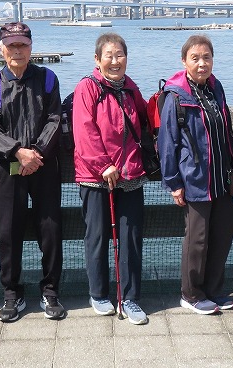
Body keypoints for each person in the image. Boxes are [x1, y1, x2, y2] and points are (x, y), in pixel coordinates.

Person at [0, 22, 65, 323]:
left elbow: (55, 119)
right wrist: (17, 151)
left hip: (43, 165)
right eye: (11, 45)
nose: (17, 50)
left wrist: (36, 152)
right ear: (1, 48)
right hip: (8, 167)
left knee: (50, 230)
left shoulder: (48, 78)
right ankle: (11, 293)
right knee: (8, 232)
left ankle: (50, 291)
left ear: (31, 47)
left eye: (22, 45)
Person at [72, 33, 150, 325]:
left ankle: (130, 297)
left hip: (130, 172)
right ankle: (99, 293)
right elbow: (84, 130)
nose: (115, 61)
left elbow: (145, 118)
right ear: (97, 59)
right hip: (95, 176)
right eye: (109, 55)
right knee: (97, 235)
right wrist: (104, 165)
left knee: (130, 238)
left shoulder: (130, 88)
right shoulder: (87, 87)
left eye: (120, 55)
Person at [158, 34, 233, 315]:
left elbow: (225, 133)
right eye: (195, 58)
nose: (202, 63)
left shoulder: (216, 89)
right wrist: (174, 183)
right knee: (197, 240)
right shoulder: (175, 97)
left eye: (206, 57)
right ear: (184, 61)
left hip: (221, 178)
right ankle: (191, 294)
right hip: (195, 179)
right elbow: (167, 143)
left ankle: (214, 290)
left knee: (222, 236)